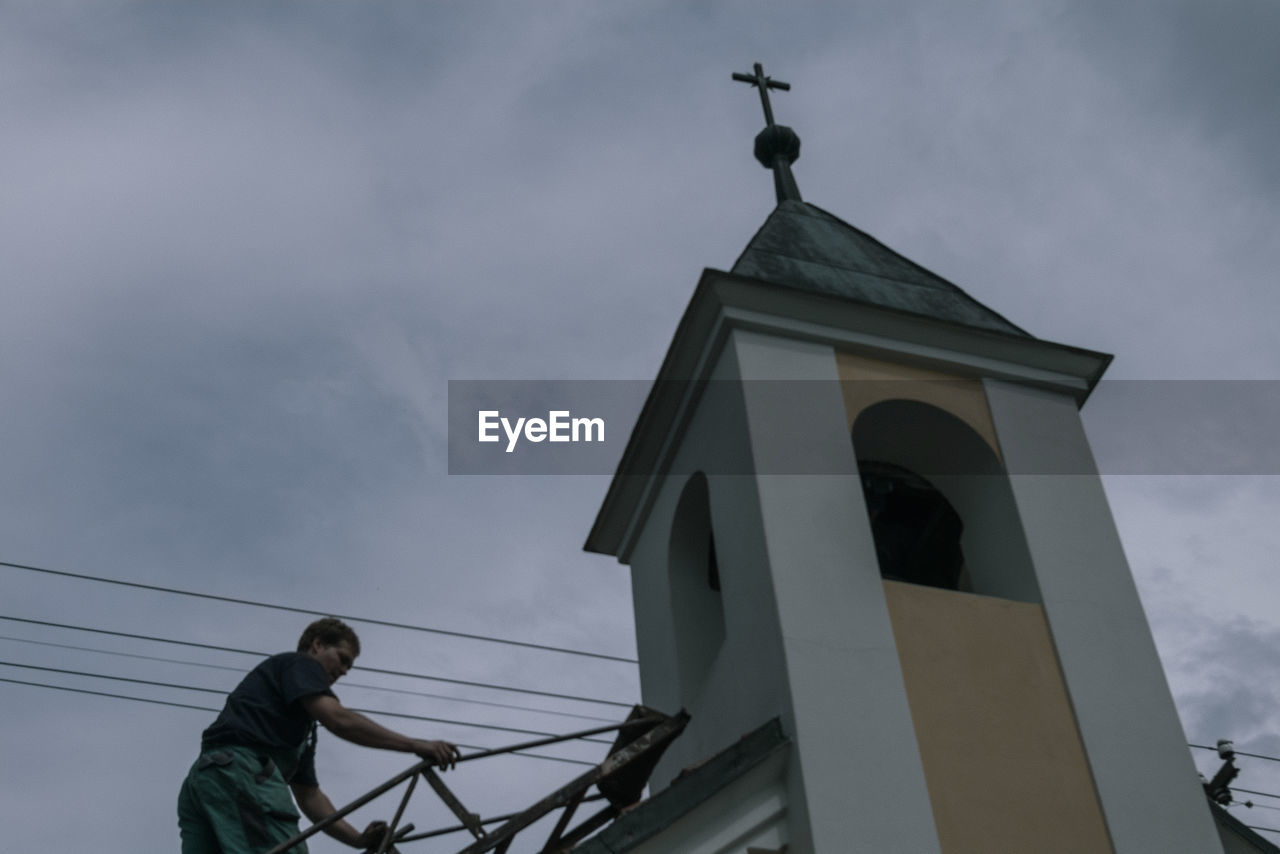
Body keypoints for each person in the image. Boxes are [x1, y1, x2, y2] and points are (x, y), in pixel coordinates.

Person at [177, 617, 460, 853]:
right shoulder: (299, 665)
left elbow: (310, 796)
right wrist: (414, 745)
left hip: (206, 781)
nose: (345, 671)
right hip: (242, 775)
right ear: (317, 644)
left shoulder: (299, 729)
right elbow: (339, 719)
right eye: (343, 659)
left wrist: (358, 840)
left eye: (349, 666)